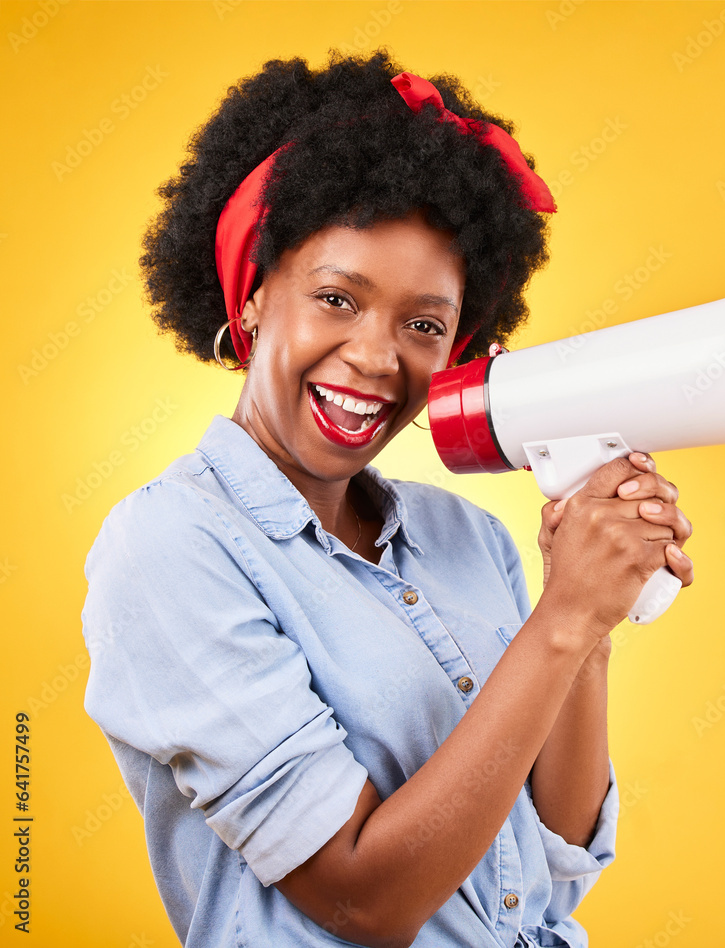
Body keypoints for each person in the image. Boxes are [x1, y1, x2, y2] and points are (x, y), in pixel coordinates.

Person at [82, 50, 694, 948]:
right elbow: (363, 901)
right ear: (252, 300)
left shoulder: (468, 536)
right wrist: (561, 618)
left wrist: (592, 620)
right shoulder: (170, 545)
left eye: (423, 324)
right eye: (336, 298)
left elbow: (554, 861)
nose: (376, 356)